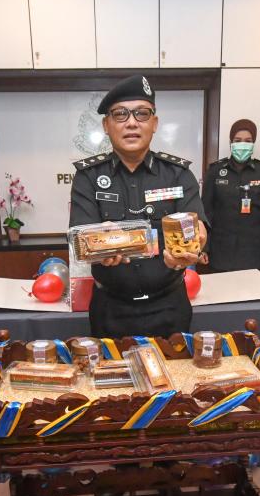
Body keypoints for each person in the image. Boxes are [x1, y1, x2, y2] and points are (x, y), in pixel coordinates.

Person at [69, 74, 208, 340]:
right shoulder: (87, 177)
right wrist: (97, 246)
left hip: (169, 306)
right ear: (106, 125)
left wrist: (196, 242)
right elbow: (81, 238)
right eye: (120, 114)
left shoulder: (178, 174)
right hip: (110, 309)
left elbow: (198, 226)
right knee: (114, 380)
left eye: (142, 114)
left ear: (154, 123)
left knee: (175, 379)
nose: (132, 122)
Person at [202, 119, 260, 272]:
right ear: (231, 142)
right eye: (238, 140)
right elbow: (206, 213)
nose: (242, 144)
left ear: (253, 143)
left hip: (253, 251)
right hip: (220, 250)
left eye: (248, 141)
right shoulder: (215, 171)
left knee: (251, 293)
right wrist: (204, 248)